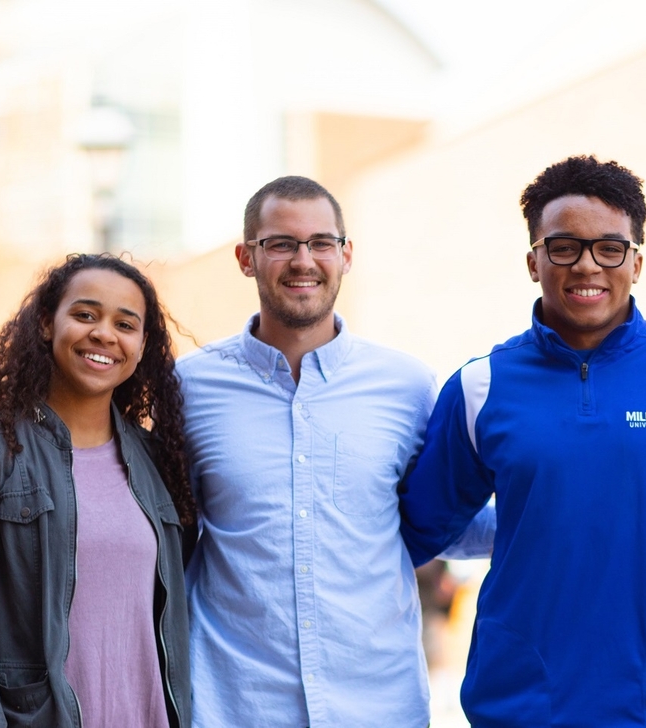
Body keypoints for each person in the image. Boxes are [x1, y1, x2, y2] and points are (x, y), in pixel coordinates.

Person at [399, 155, 646, 726]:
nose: (587, 266)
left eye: (609, 248)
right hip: (522, 705)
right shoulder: (482, 386)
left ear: (636, 261)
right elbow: (419, 529)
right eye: (564, 247)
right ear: (534, 261)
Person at [178, 175, 492, 728]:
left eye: (321, 242)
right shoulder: (188, 387)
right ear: (245, 258)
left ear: (346, 255)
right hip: (235, 706)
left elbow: (439, 522)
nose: (304, 260)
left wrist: (559, 518)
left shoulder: (409, 385)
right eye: (280, 243)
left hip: (378, 706)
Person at [0, 254, 194, 728]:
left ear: (141, 346)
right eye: (85, 315)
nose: (104, 335)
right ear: (47, 325)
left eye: (125, 324)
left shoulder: (158, 461)